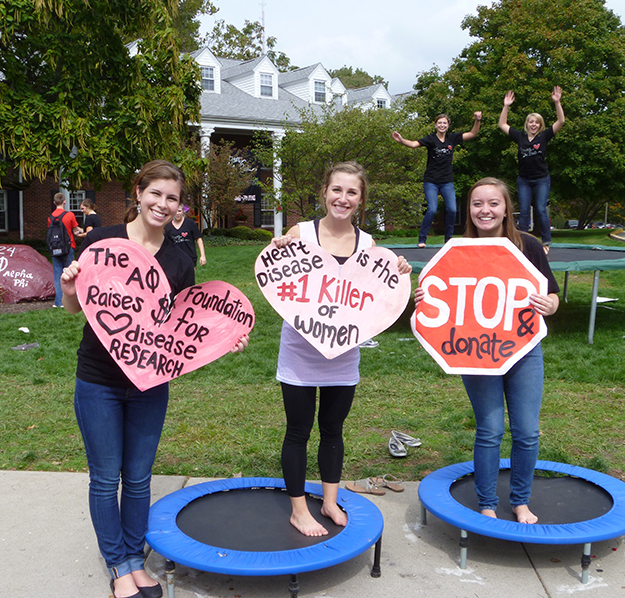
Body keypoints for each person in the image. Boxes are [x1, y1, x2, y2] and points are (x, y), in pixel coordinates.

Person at [60, 160, 249, 598]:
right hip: (98, 380)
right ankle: (117, 566)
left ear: (180, 206)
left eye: (172, 198)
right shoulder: (104, 242)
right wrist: (70, 290)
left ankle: (134, 558)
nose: (162, 204)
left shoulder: (180, 258)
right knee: (106, 478)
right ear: (138, 193)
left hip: (149, 383)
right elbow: (76, 310)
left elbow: (184, 325)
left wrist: (224, 339)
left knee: (140, 478)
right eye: (156, 194)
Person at [273, 161, 412, 537]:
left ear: (361, 199)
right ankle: (299, 510)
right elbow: (279, 279)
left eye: (352, 192)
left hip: (343, 355)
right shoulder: (300, 232)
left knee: (333, 430)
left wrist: (396, 271)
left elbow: (377, 297)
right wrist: (279, 249)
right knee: (298, 431)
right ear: (325, 192)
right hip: (300, 353)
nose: (343, 198)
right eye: (337, 190)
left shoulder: (368, 244)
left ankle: (330, 501)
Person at [414, 177, 559, 524]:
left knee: (527, 430)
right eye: (477, 203)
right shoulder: (457, 249)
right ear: (469, 209)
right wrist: (423, 300)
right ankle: (487, 503)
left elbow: (552, 294)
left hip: (523, 349)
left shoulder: (529, 246)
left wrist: (550, 306)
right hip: (475, 352)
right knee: (490, 429)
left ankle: (520, 501)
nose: (485, 210)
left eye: (493, 203)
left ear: (507, 207)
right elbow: (439, 294)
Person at [392, 111, 483, 247]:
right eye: (439, 123)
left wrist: (477, 120)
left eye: (444, 123)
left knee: (452, 209)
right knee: (432, 209)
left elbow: (472, 134)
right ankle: (422, 239)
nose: (442, 125)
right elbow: (413, 144)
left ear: (448, 125)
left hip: (447, 181)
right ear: (435, 125)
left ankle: (448, 240)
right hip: (431, 181)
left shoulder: (452, 139)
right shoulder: (430, 139)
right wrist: (401, 140)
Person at [498, 86, 565, 248]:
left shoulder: (544, 136)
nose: (533, 124)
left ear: (540, 125)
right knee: (524, 212)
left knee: (541, 210)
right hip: (524, 179)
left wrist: (557, 102)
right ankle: (522, 242)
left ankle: (546, 242)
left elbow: (561, 121)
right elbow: (502, 124)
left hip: (541, 178)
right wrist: (506, 106)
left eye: (536, 122)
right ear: (527, 124)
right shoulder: (520, 136)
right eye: (531, 121)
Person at [48, 192, 80, 307]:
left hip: (55, 248)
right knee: (70, 275)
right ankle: (71, 302)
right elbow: (76, 230)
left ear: (54, 202)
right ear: (64, 202)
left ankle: (58, 302)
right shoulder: (70, 215)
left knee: (58, 274)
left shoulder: (50, 217)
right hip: (68, 247)